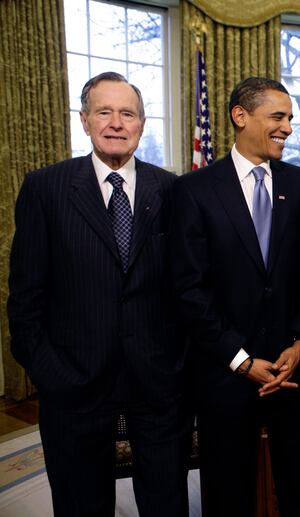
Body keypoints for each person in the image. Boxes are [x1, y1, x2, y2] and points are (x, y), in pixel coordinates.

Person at [7, 72, 189, 516]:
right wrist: (50, 372)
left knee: (167, 501)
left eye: (127, 113)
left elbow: (186, 287)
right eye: (104, 111)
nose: (116, 122)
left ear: (142, 124)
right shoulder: (45, 188)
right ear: (85, 121)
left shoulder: (172, 190)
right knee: (81, 504)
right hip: (74, 383)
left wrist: (179, 365)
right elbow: (26, 296)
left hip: (158, 381)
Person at [169, 77, 300, 516]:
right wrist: (241, 360)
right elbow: (188, 289)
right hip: (225, 375)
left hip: (291, 373)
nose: (288, 127)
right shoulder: (194, 190)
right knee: (228, 493)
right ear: (240, 116)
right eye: (278, 116)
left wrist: (299, 341)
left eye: (289, 118)